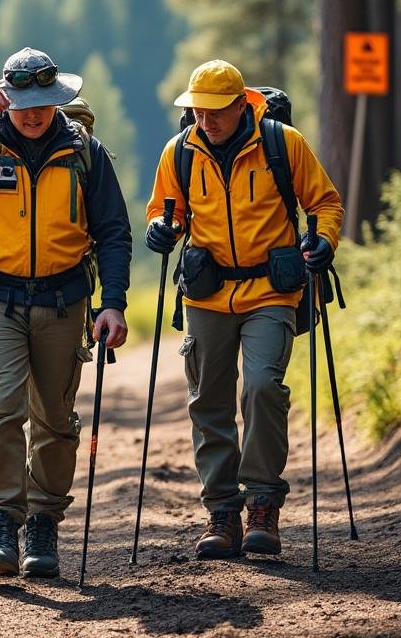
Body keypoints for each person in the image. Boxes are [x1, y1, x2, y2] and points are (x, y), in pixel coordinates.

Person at [0, 48, 133, 577]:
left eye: (43, 103)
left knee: (55, 421)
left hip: (63, 301)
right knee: (0, 411)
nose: (33, 114)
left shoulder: (86, 153)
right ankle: (0, 526)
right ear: (6, 98)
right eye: (23, 104)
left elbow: (113, 233)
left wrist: (113, 304)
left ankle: (42, 525)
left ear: (59, 100)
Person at [144, 59, 343, 559]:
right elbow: (165, 210)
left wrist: (324, 243)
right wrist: (161, 230)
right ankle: (222, 513)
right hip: (206, 295)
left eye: (214, 111)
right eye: (196, 111)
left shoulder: (283, 143)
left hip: (271, 292)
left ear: (240, 105)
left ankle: (262, 505)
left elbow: (324, 203)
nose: (204, 121)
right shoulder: (180, 152)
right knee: (208, 400)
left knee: (261, 388)